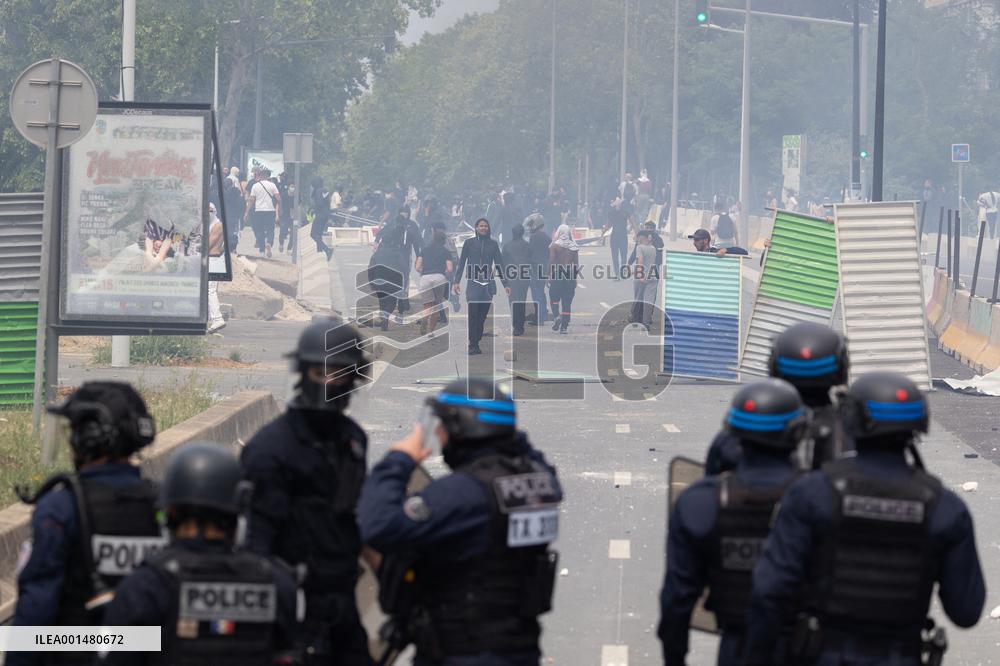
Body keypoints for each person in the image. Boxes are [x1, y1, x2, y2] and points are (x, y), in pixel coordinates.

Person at [745, 372, 987, 666]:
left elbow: (769, 591)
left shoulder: (811, 494)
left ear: (849, 420)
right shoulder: (945, 509)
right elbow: (966, 610)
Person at [358, 379, 562, 666]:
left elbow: (377, 524)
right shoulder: (542, 484)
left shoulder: (465, 493)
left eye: (442, 427)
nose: (439, 435)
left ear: (461, 429)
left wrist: (399, 458)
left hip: (462, 650)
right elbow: (530, 455)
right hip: (520, 649)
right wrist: (506, 429)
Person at [240, 320, 374, 665]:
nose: (329, 383)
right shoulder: (269, 449)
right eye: (320, 372)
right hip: (291, 605)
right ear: (304, 372)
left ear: (354, 378)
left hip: (342, 601)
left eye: (339, 374)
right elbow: (257, 546)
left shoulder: (353, 442)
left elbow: (358, 521)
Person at [99, 443, 298, 666]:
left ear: (172, 511)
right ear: (236, 512)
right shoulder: (277, 584)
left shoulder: (145, 588)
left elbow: (115, 655)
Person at [11, 382, 161, 666]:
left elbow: (37, 606)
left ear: (91, 437)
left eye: (74, 432)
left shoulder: (61, 507)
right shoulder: (164, 506)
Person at [658, 379, 807, 666]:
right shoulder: (822, 497)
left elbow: (677, 599)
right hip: (811, 649)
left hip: (738, 647)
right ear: (798, 432)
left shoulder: (702, 501)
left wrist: (674, 659)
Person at [706, 323, 851, 475]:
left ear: (774, 366)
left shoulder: (739, 434)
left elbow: (712, 477)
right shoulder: (852, 433)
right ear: (841, 367)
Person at [453, 218, 509, 355]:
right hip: (473, 285)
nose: (483, 228)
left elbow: (500, 265)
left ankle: (477, 336)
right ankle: (473, 345)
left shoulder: (493, 245)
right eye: (481, 226)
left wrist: (506, 284)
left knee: (482, 316)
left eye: (485, 226)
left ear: (488, 228)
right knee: (473, 315)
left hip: (487, 286)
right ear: (476, 228)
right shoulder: (469, 243)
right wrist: (456, 281)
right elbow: (461, 264)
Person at [415, 223, 453, 336]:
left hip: (425, 278)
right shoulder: (446, 252)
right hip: (439, 278)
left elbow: (417, 267)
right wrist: (444, 274)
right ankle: (430, 332)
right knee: (437, 305)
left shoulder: (425, 250)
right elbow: (450, 269)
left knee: (427, 305)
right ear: (443, 240)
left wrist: (423, 272)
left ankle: (425, 319)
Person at [503, 222, 533, 336]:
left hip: (512, 278)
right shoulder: (528, 246)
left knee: (513, 302)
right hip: (524, 278)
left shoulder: (507, 246)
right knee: (521, 301)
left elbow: (503, 263)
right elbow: (531, 261)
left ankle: (516, 326)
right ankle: (520, 325)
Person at [548, 224, 580, 334]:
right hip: (569, 275)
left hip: (558, 273)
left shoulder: (554, 246)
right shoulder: (574, 247)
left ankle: (557, 316)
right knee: (567, 302)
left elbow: (551, 262)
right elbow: (576, 265)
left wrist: (549, 275)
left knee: (554, 299)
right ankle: (564, 327)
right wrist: (574, 279)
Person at [245, 168, 281, 257]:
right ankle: (268, 243)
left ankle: (262, 251)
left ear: (261, 176)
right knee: (270, 230)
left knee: (260, 231)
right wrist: (279, 210)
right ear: (268, 176)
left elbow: (251, 200)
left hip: (258, 211)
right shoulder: (272, 185)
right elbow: (278, 199)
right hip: (270, 211)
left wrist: (246, 212)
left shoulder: (255, 186)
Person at [526, 214, 551, 326]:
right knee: (541, 291)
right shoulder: (547, 237)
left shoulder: (533, 237)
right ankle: (544, 314)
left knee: (536, 293)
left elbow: (530, 252)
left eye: (531, 225)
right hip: (544, 267)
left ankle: (539, 317)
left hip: (535, 268)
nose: (530, 227)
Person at [632, 230, 659, 328]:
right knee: (649, 299)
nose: (636, 240)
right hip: (652, 275)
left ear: (640, 237)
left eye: (637, 238)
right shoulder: (653, 248)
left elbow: (640, 261)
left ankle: (635, 320)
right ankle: (646, 322)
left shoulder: (639, 247)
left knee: (638, 298)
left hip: (642, 276)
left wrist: (640, 275)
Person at [207, 202, 227, 334]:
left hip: (214, 259)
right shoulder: (209, 224)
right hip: (209, 259)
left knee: (210, 290)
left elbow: (208, 244)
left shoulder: (217, 225)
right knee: (206, 290)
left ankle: (217, 319)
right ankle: (209, 318)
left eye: (209, 211)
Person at [605, 198, 630, 280]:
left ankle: (619, 274)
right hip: (620, 236)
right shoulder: (624, 213)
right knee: (621, 256)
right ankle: (619, 273)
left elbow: (608, 225)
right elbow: (608, 225)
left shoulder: (614, 213)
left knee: (619, 256)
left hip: (617, 237)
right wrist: (602, 234)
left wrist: (602, 234)